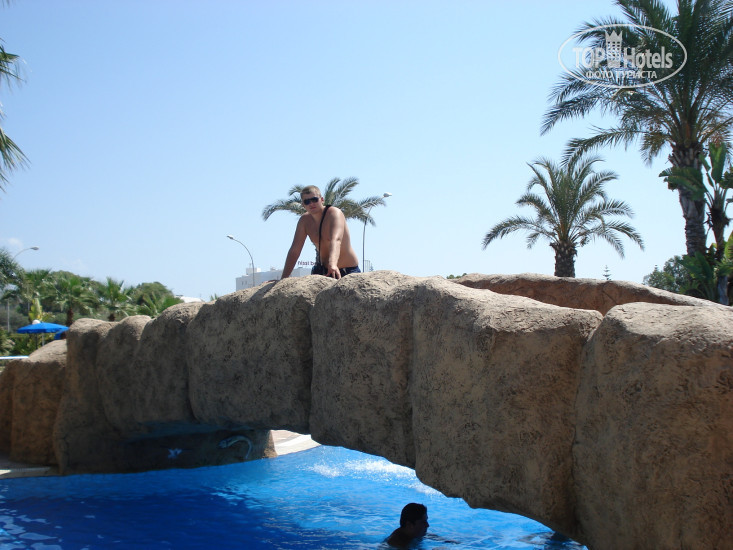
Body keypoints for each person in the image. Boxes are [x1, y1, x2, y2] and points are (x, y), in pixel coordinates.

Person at [280, 185, 361, 279]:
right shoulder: (304, 221)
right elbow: (295, 249)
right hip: (324, 271)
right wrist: (283, 278)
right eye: (307, 202)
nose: (311, 204)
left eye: (314, 200)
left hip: (348, 270)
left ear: (322, 200)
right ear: (303, 205)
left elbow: (336, 240)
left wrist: (332, 264)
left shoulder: (334, 213)